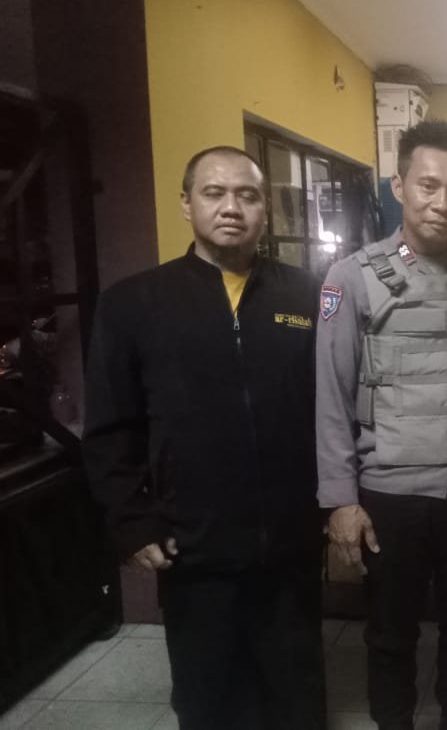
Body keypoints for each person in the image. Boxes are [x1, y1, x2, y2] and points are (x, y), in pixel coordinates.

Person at [82, 146, 326, 729]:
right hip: (193, 542)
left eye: (247, 195)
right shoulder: (134, 303)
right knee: (209, 694)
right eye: (214, 193)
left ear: (265, 209)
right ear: (186, 203)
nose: (231, 207)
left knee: (294, 690)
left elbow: (335, 410)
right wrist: (133, 521)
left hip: (290, 538)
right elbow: (110, 427)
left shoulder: (307, 295)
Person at [317, 120, 447, 730]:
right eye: (428, 185)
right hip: (390, 490)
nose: (442, 202)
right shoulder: (351, 277)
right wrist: (339, 500)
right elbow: (330, 397)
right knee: (391, 634)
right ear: (399, 185)